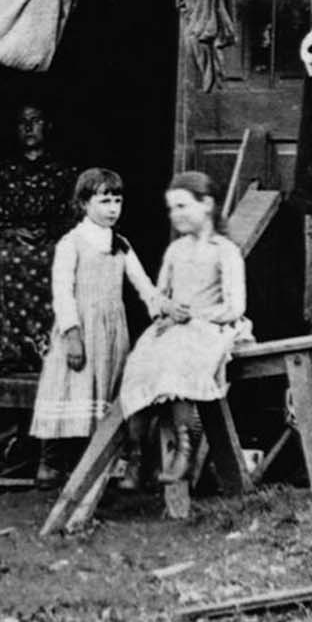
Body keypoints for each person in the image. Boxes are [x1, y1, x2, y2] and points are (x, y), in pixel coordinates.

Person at [119, 171, 251, 489]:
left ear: (206, 205)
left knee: (180, 362)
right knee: (140, 362)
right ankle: (136, 457)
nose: (175, 215)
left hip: (211, 328)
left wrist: (193, 316)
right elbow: (160, 295)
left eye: (182, 206)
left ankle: (185, 449)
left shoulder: (224, 251)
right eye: (171, 209)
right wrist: (166, 309)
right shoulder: (176, 251)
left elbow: (235, 306)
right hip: (176, 326)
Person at [29, 167, 159, 488]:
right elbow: (62, 292)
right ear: (84, 203)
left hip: (112, 333)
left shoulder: (121, 244)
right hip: (80, 331)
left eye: (117, 200)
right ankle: (51, 463)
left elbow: (143, 285)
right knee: (69, 387)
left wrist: (162, 311)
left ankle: (98, 463)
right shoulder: (71, 243)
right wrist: (72, 335)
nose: (112, 208)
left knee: (106, 392)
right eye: (104, 200)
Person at [0, 102, 77, 370]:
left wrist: (49, 232)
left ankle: (49, 348)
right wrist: (11, 231)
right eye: (23, 122)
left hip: (51, 240)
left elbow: (74, 215)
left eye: (36, 121)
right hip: (11, 239)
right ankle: (9, 349)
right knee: (3, 260)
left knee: (57, 261)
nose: (29, 127)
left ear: (48, 126)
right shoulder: (2, 171)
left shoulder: (63, 172)